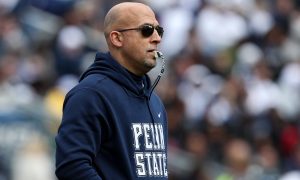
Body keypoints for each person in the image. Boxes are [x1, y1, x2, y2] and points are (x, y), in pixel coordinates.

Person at [55, 2, 168, 180]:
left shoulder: (156, 103)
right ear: (117, 38)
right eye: (147, 30)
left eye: (158, 30)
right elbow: (72, 167)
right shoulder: (90, 94)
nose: (156, 38)